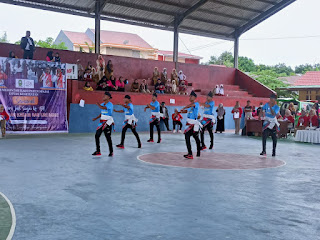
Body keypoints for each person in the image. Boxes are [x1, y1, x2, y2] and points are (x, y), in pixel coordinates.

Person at [179, 91, 201, 159]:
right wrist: (180, 112)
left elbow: (190, 106)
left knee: (188, 136)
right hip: (190, 124)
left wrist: (184, 107)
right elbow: (186, 111)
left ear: (194, 97)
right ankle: (196, 152)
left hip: (193, 124)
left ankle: (190, 153)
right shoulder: (190, 106)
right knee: (196, 138)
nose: (190, 97)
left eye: (191, 96)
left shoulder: (196, 104)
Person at [92, 92, 114, 157]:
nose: (103, 96)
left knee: (108, 137)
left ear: (109, 98)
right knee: (97, 135)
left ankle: (111, 151)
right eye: (103, 95)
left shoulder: (110, 104)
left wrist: (99, 105)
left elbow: (104, 108)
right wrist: (96, 118)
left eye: (105, 96)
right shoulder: (102, 104)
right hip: (101, 122)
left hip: (108, 122)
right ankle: (98, 151)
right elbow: (102, 113)